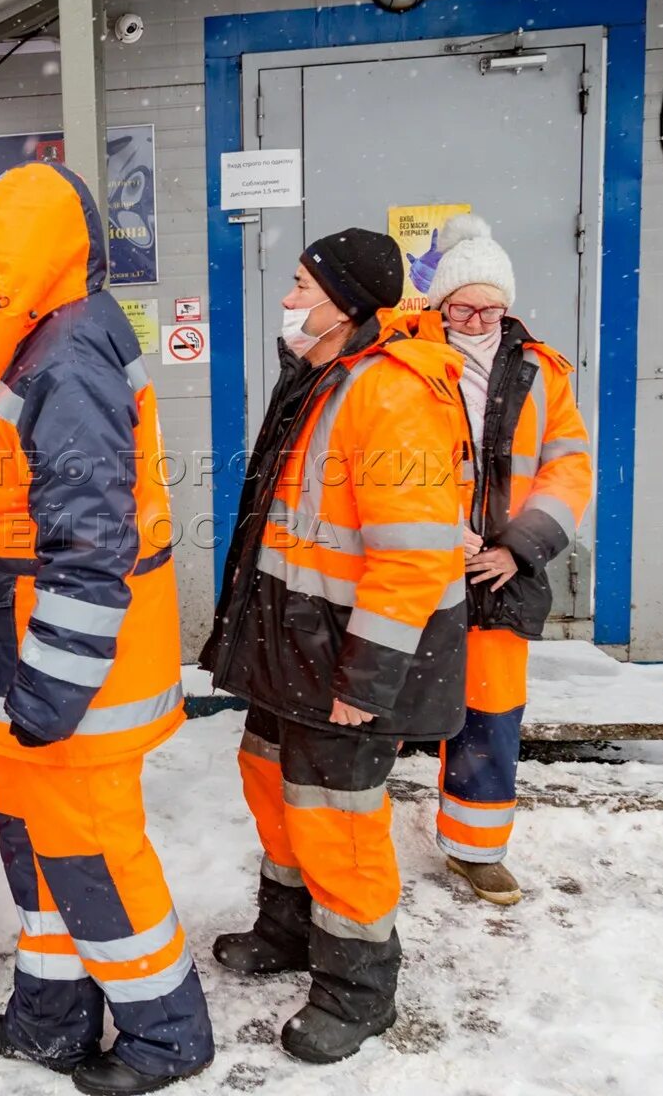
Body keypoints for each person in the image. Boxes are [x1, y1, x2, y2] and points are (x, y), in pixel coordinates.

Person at [0, 162, 214, 1096]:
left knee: (93, 856)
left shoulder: (65, 358)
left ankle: (166, 1036)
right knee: (37, 846)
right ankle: (50, 1021)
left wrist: (55, 683)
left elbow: (89, 538)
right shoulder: (49, 341)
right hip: (27, 669)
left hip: (65, 681)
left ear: (27, 262)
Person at [201, 228, 470, 1064]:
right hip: (294, 641)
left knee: (337, 819)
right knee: (273, 783)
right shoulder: (325, 376)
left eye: (299, 285)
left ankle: (359, 988)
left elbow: (415, 551)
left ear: (348, 303)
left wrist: (371, 675)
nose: (287, 300)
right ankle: (288, 929)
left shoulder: (392, 394)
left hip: (345, 653)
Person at [417, 214, 594, 905]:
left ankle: (475, 849)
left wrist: (518, 548)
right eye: (463, 305)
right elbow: (378, 458)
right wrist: (433, 528)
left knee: (490, 713)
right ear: (441, 305)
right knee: (374, 703)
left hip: (501, 576)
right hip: (414, 569)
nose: (478, 318)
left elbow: (568, 467)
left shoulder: (543, 373)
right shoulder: (406, 363)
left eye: (491, 306)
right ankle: (347, 849)